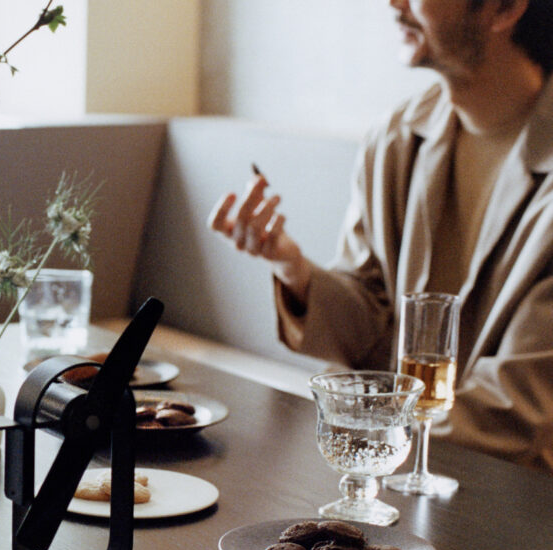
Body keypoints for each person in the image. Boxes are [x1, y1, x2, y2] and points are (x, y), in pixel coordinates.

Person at [208, 0, 553, 473]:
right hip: (398, 469)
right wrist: (293, 267)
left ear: (505, 9)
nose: (393, 3)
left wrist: (373, 443)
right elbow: (370, 327)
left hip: (516, 498)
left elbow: (517, 409)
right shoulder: (395, 138)